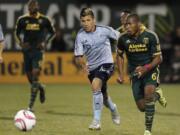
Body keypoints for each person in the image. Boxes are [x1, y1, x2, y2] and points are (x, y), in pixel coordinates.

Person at [116, 14, 167, 135]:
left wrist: (146, 68)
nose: (127, 27)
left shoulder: (150, 35)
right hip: (135, 74)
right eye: (125, 25)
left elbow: (158, 58)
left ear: (138, 24)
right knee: (142, 107)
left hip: (150, 70)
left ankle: (147, 130)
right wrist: (121, 75)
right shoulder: (122, 39)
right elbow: (119, 55)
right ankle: (158, 96)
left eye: (130, 24)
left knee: (148, 94)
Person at [74, 7, 120, 130]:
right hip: (92, 68)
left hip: (107, 64)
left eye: (88, 20)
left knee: (95, 86)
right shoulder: (80, 35)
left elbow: (120, 38)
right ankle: (113, 108)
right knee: (103, 96)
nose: (85, 23)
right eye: (83, 21)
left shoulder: (104, 30)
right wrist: (83, 65)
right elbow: (78, 56)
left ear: (94, 20)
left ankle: (96, 122)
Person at [15, 0, 55, 111]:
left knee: (35, 73)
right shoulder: (22, 20)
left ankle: (30, 106)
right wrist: (21, 43)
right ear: (28, 8)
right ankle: (41, 87)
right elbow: (16, 33)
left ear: (38, 7)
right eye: (31, 5)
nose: (33, 7)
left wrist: (45, 42)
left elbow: (53, 33)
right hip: (27, 51)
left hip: (38, 51)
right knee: (29, 77)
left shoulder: (44, 20)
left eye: (35, 5)